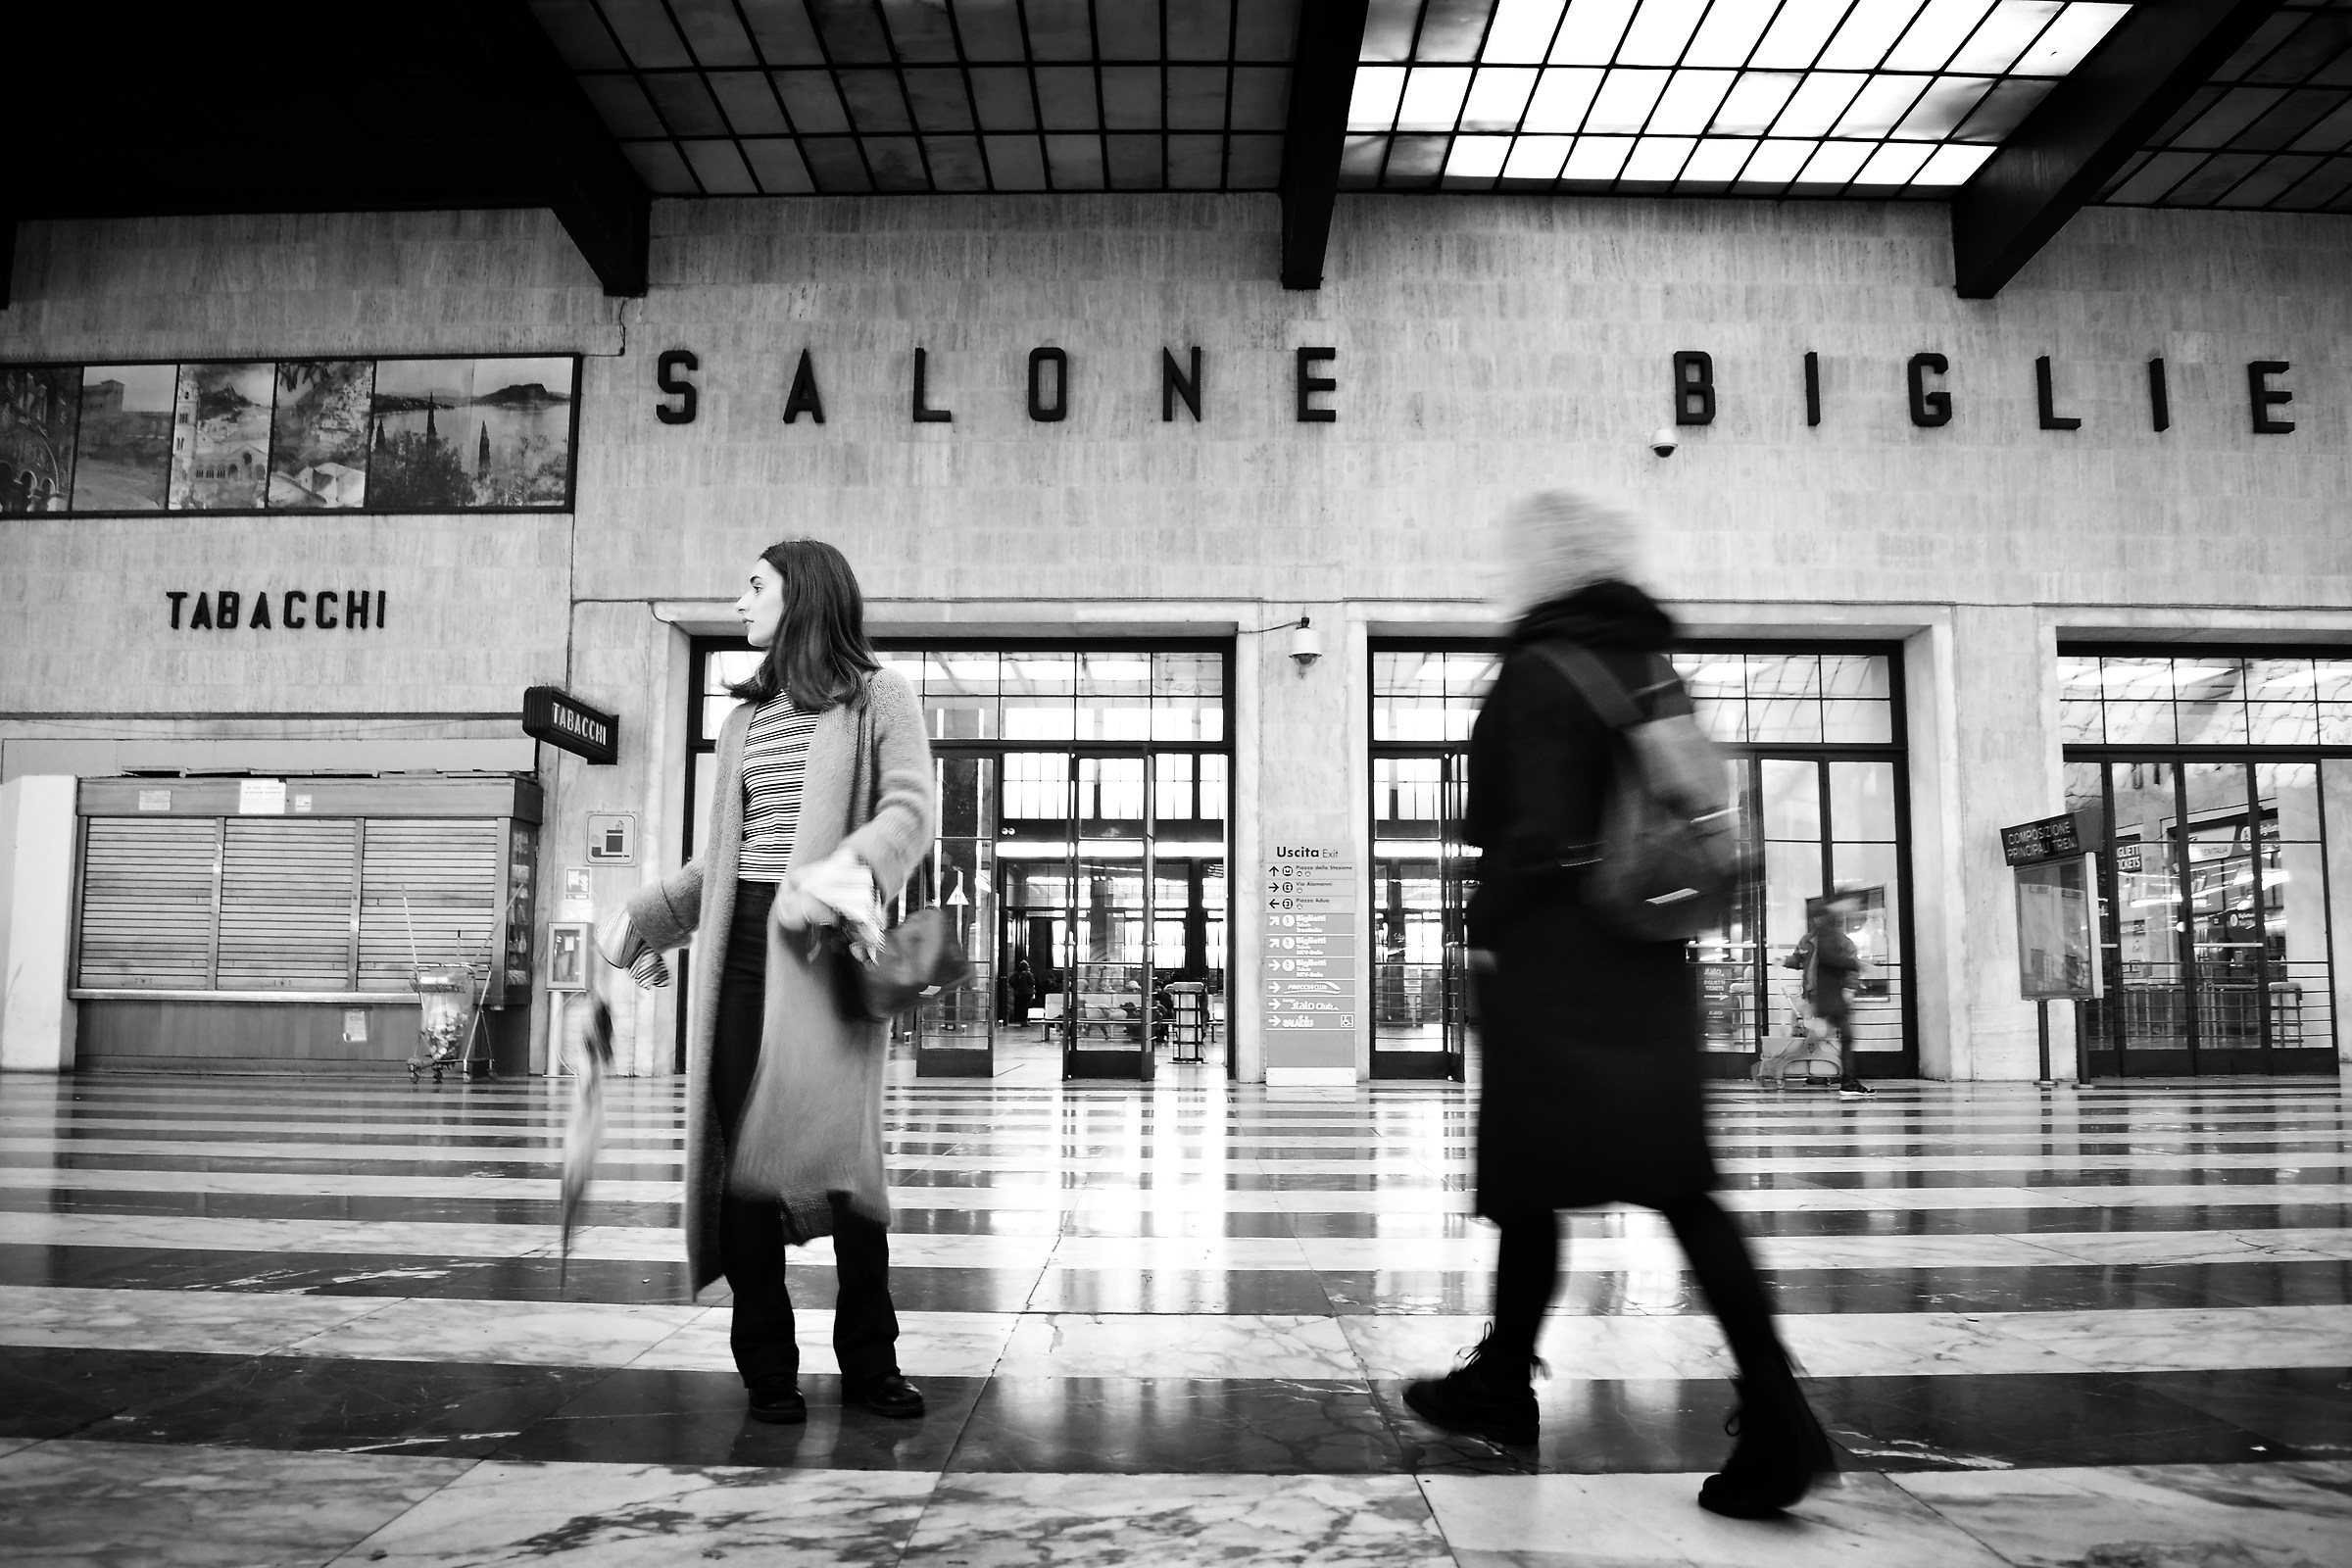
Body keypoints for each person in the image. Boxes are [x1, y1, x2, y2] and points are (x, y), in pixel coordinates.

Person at [1402, 490, 1834, 1518]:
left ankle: (1504, 1380)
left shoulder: (1539, 666)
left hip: (1557, 959)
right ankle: (1770, 1407)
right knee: (1676, 1183)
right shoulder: (1646, 663)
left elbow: (1527, 832)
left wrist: (1484, 932)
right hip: (1645, 955)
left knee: (1528, 1174)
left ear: (1543, 564)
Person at [598, 537, 934, 1426]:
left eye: (755, 586)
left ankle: (870, 1361)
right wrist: (646, 917)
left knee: (848, 1171)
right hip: (741, 951)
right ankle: (767, 1367)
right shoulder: (743, 721)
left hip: (822, 951)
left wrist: (847, 872)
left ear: (804, 593)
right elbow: (723, 857)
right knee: (744, 1164)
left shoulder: (878, 696)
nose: (739, 602)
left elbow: (910, 810)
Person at [1798, 897, 1871, 1098]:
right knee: (1841, 1035)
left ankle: (1844, 1079)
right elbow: (1827, 958)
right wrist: (1855, 965)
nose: (1852, 908)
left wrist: (1849, 986)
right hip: (1829, 996)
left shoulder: (1827, 931)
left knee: (1842, 1035)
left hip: (1829, 996)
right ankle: (1845, 1080)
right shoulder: (1827, 932)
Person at [1010, 956, 1037, 1025]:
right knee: (1026, 1007)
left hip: (1019, 992)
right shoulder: (1028, 973)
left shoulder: (1016, 973)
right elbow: (1032, 982)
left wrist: (1016, 987)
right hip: (1028, 993)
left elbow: (1011, 981)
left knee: (1021, 1006)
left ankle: (1021, 1020)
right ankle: (1024, 1021)